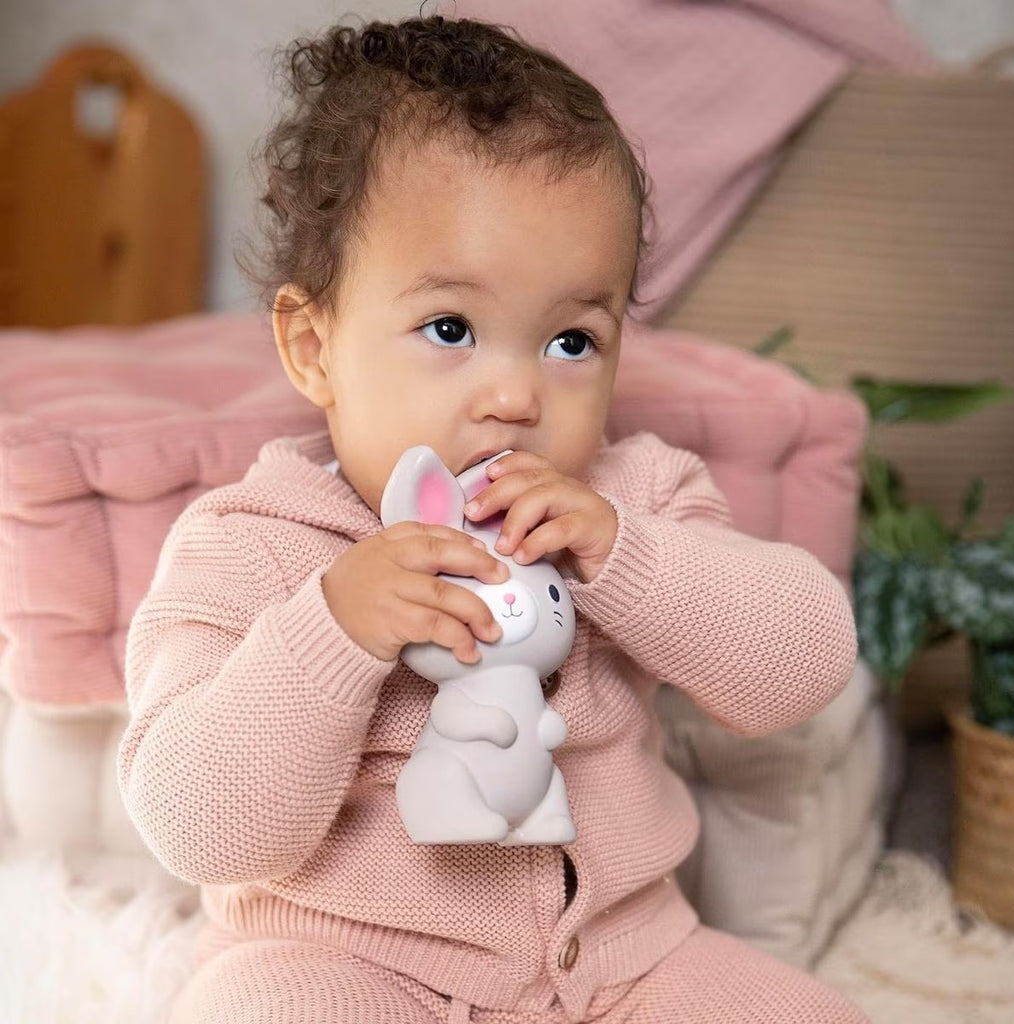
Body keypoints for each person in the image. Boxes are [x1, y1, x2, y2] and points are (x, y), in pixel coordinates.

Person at [118, 15, 867, 1023]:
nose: (516, 396)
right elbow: (198, 826)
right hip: (346, 963)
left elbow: (804, 666)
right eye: (450, 327)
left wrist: (627, 556)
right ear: (314, 347)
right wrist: (332, 629)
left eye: (571, 340)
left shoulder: (636, 497)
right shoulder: (249, 542)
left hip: (626, 963)